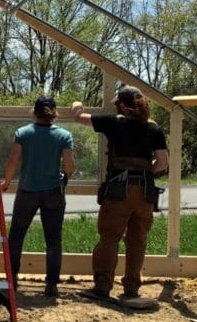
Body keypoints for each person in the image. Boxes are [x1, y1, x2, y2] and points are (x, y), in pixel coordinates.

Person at [71, 85, 169, 302]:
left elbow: (80, 118)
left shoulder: (115, 122)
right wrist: (144, 173)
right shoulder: (154, 128)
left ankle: (102, 288)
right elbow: (162, 163)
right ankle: (132, 289)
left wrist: (77, 107)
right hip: (145, 193)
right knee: (138, 240)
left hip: (118, 191)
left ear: (123, 106)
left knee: (109, 239)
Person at [1, 95, 75, 297]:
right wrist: (64, 177)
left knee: (16, 236)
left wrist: (6, 182)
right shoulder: (64, 135)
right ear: (54, 113)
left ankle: (12, 279)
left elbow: (12, 162)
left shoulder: (23, 133)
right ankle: (51, 285)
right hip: (53, 192)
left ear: (34, 112)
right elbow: (69, 166)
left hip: (27, 192)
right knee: (53, 240)